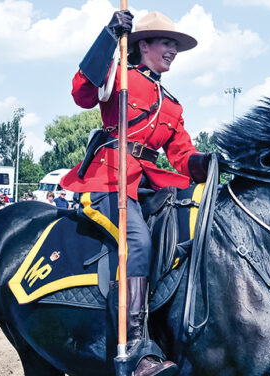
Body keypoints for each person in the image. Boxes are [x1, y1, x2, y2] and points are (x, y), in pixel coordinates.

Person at [59, 10, 210, 376]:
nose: (173, 50)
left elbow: (182, 156)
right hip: (108, 178)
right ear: (144, 45)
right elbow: (82, 92)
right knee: (138, 241)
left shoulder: (172, 105)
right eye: (167, 43)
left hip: (149, 182)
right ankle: (137, 346)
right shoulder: (120, 78)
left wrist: (209, 162)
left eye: (175, 45)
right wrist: (109, 36)